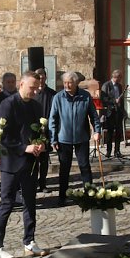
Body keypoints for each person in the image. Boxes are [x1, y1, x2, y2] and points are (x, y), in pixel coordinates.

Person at [0, 71, 50, 258]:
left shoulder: (36, 105)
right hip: (11, 162)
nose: (35, 91)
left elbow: (41, 131)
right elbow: (3, 136)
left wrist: (41, 143)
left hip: (30, 162)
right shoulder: (7, 104)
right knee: (6, 204)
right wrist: (25, 147)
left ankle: (29, 241)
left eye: (37, 87)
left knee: (30, 202)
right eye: (32, 87)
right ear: (21, 85)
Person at [49, 71, 102, 207]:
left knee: (85, 166)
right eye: (65, 83)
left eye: (69, 83)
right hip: (63, 138)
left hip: (81, 137)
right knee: (64, 169)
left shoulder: (85, 96)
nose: (66, 85)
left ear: (76, 83)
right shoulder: (58, 97)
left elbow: (93, 115)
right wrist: (53, 138)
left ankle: (90, 194)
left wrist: (97, 130)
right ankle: (62, 196)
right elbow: (53, 119)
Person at [33, 68, 56, 193]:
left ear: (46, 78)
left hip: (46, 131)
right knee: (34, 159)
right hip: (34, 131)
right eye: (38, 78)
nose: (41, 80)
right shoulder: (32, 94)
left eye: (42, 78)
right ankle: (33, 183)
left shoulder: (52, 94)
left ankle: (43, 183)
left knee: (44, 159)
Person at [100, 69, 127, 158]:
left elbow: (121, 100)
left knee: (118, 132)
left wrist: (123, 111)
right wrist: (113, 101)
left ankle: (117, 151)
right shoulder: (106, 85)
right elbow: (103, 99)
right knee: (110, 132)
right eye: (119, 78)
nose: (120, 80)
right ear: (116, 77)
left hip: (118, 111)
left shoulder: (119, 86)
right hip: (110, 112)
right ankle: (108, 151)